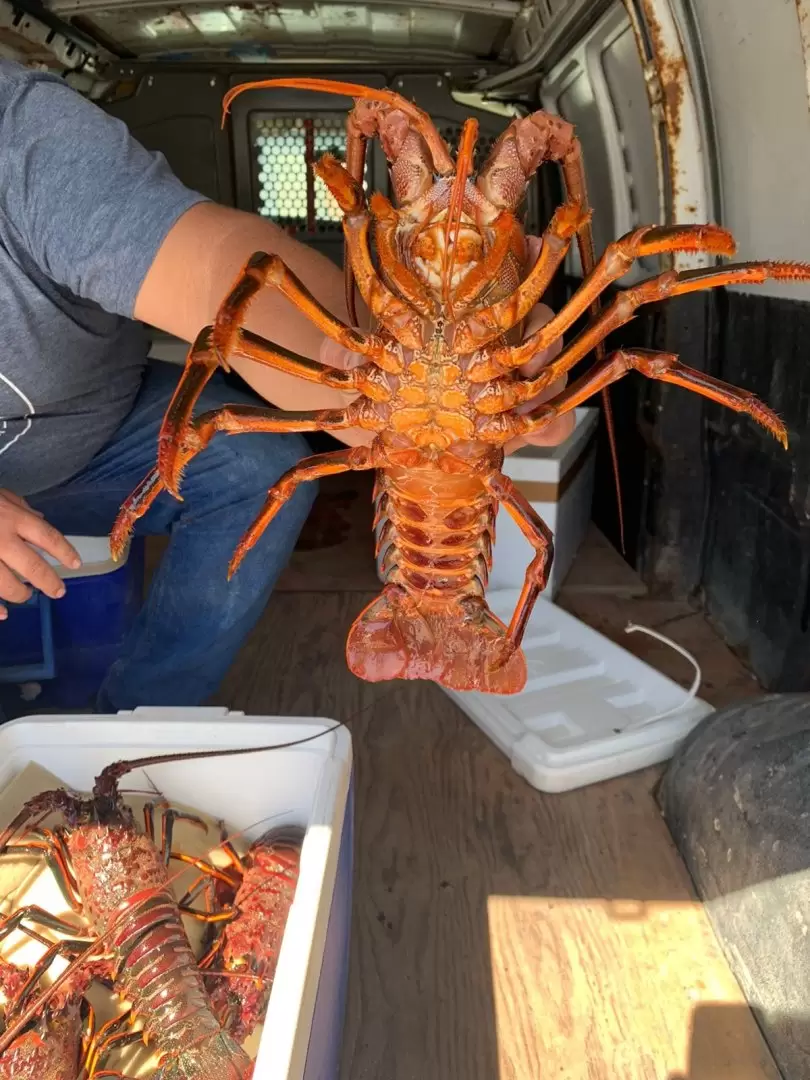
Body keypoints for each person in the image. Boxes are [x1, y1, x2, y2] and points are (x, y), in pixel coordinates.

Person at [0, 59, 573, 712]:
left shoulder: (19, 138)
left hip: (95, 433)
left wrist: (339, 363)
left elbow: (219, 267)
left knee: (254, 458)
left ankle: (141, 719)